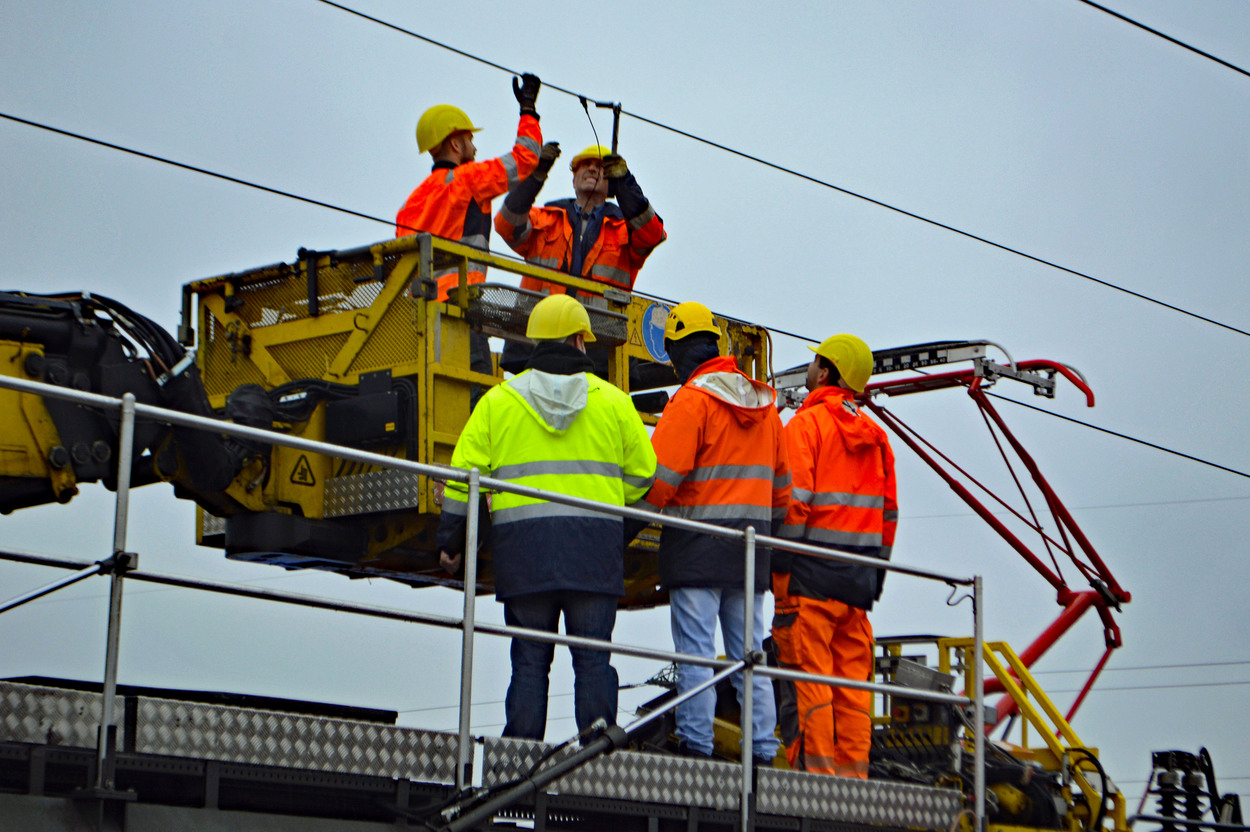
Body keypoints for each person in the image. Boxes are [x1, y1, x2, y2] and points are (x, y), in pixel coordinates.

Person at [436, 294, 657, 741]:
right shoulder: (613, 403)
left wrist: (453, 542)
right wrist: (614, 527)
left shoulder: (498, 403)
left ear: (534, 340)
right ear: (580, 340)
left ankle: (518, 760)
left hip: (526, 553)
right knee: (593, 661)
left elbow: (463, 480)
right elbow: (644, 478)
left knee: (530, 663)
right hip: (593, 553)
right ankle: (596, 758)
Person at [633, 302, 790, 766]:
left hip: (698, 551)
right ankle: (763, 748)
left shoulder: (692, 401)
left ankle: (697, 745)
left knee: (697, 653)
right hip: (749, 556)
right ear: (716, 346)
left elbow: (658, 483)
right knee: (750, 657)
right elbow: (782, 495)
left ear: (678, 350)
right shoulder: (765, 408)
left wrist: (624, 526)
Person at [770, 334, 897, 778]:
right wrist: (872, 579)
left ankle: (817, 780)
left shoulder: (805, 427)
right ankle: (852, 778)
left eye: (814, 363)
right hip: (857, 586)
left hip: (808, 581)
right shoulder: (878, 439)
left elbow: (795, 503)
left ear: (825, 372)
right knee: (851, 692)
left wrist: (780, 564)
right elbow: (888, 518)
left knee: (811, 684)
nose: (808, 370)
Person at [494, 143, 667, 375]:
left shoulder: (624, 229)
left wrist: (626, 183)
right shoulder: (545, 219)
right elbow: (505, 223)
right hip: (535, 340)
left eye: (600, 167)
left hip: (599, 349)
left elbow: (653, 234)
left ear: (611, 184)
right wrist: (536, 174)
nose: (592, 169)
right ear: (573, 179)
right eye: (585, 165)